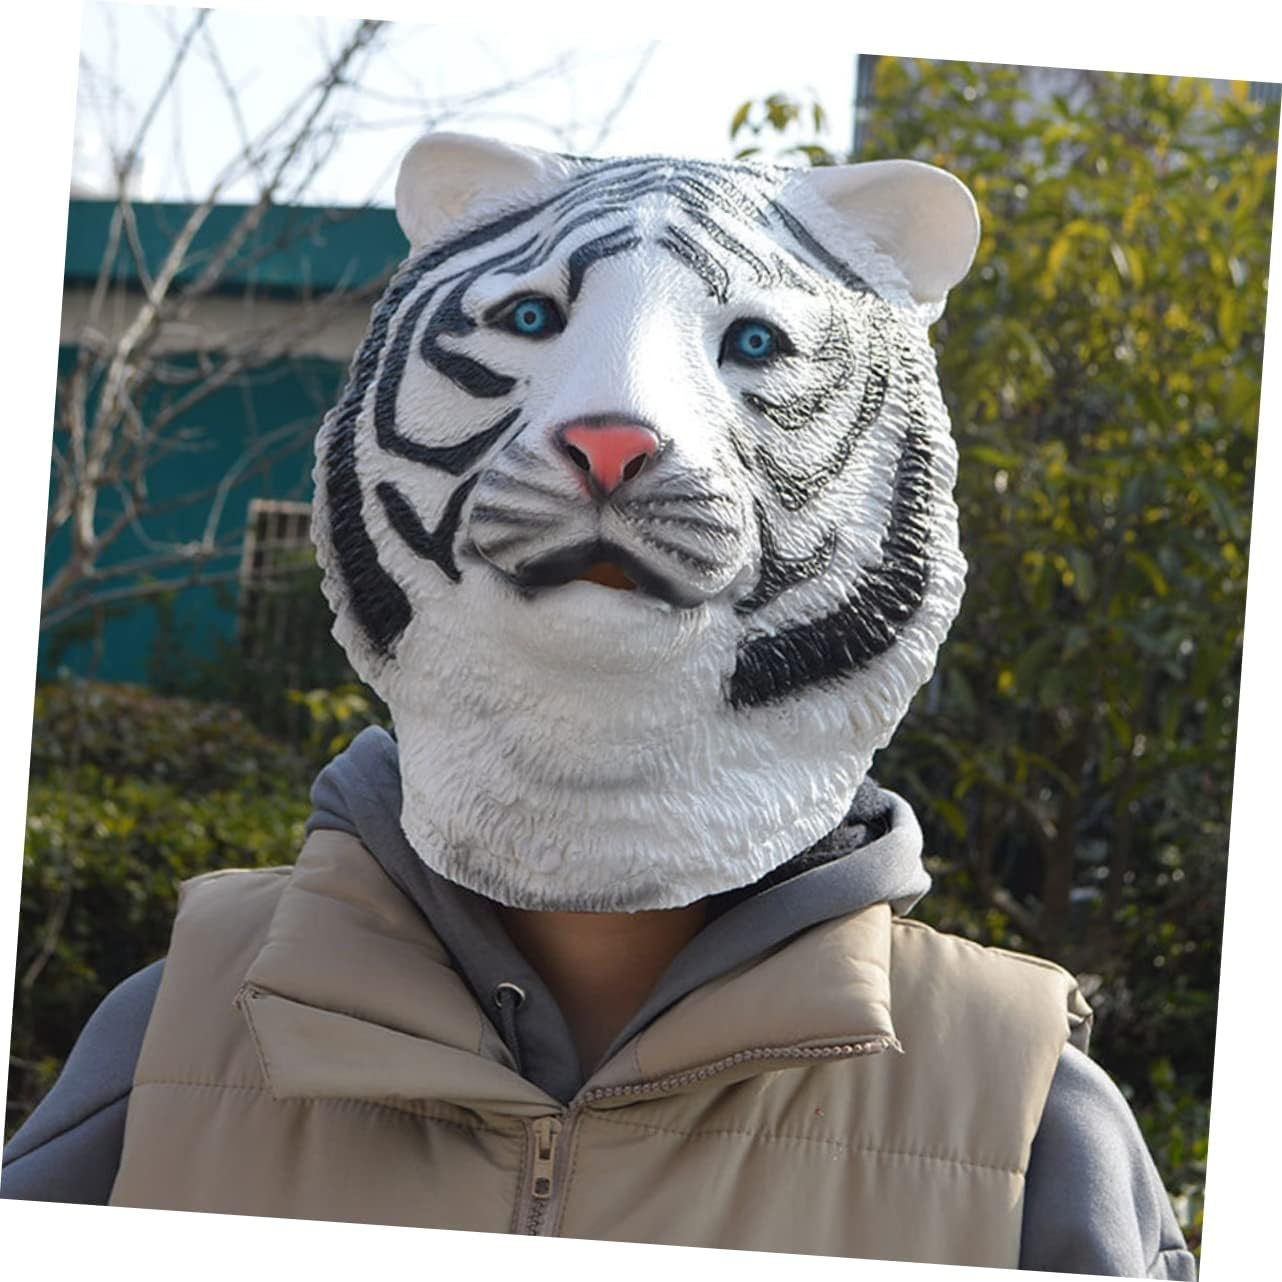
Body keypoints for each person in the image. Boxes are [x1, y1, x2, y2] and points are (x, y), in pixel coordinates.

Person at [3, 133, 1195, 1277]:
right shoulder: (176, 1034)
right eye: (529, 318)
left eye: (756, 341)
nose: (615, 429)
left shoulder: (1023, 1112)